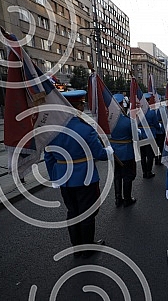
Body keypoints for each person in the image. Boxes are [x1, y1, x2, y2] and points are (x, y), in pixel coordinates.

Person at [44, 90, 112, 258]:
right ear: (78, 106)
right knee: (87, 213)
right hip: (85, 177)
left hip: (64, 179)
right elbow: (99, 154)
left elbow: (48, 156)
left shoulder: (52, 129)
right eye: (82, 104)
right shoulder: (85, 128)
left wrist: (54, 177)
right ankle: (88, 248)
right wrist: (109, 151)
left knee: (72, 212)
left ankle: (76, 248)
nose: (83, 106)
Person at [110, 94, 140, 207]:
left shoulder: (109, 120)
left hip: (114, 151)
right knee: (127, 175)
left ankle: (118, 198)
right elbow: (136, 136)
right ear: (122, 104)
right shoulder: (128, 121)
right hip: (126, 152)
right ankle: (127, 199)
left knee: (117, 175)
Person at [140, 92, 159, 178]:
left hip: (140, 136)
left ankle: (144, 172)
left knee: (143, 155)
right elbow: (156, 124)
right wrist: (158, 128)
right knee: (150, 155)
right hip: (150, 135)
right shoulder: (151, 112)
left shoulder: (137, 112)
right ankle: (149, 172)